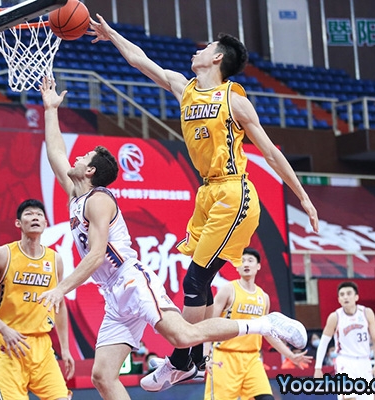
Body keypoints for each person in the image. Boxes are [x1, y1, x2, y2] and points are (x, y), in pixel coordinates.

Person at [37, 77, 308, 399]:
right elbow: (55, 152)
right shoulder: (76, 194)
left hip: (131, 282)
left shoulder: (98, 200)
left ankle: (263, 324)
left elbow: (96, 255)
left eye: (83, 158)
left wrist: (61, 289)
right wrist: (50, 110)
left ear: (91, 172)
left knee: (183, 336)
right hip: (112, 293)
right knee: (103, 376)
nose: (76, 158)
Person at [88, 15, 320, 391]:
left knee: (194, 279)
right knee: (202, 281)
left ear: (217, 58)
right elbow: (141, 61)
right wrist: (112, 34)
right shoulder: (186, 88)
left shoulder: (234, 100)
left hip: (234, 192)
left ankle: (182, 361)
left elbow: (271, 154)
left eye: (206, 47)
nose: (197, 50)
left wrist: (304, 197)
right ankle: (192, 359)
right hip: (208, 193)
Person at [0, 199, 75, 400]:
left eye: (39, 214)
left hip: (41, 345)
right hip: (8, 343)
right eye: (29, 214)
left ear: (45, 223)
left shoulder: (55, 259)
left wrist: (65, 348)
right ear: (18, 223)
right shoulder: (2, 255)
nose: (35, 217)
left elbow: (60, 305)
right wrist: (4, 329)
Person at [204, 248, 312, 400]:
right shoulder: (228, 290)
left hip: (252, 359)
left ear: (258, 266)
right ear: (237, 266)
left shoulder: (264, 297)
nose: (246, 264)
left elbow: (268, 332)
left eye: (250, 260)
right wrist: (205, 356)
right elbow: (209, 325)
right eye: (242, 261)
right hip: (225, 357)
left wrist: (290, 355)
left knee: (267, 398)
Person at [314, 282, 375, 400]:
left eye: (349, 293)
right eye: (342, 294)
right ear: (339, 299)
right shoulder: (335, 317)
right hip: (345, 361)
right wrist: (318, 367)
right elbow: (323, 343)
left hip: (364, 361)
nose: (345, 297)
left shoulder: (367, 313)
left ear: (356, 297)